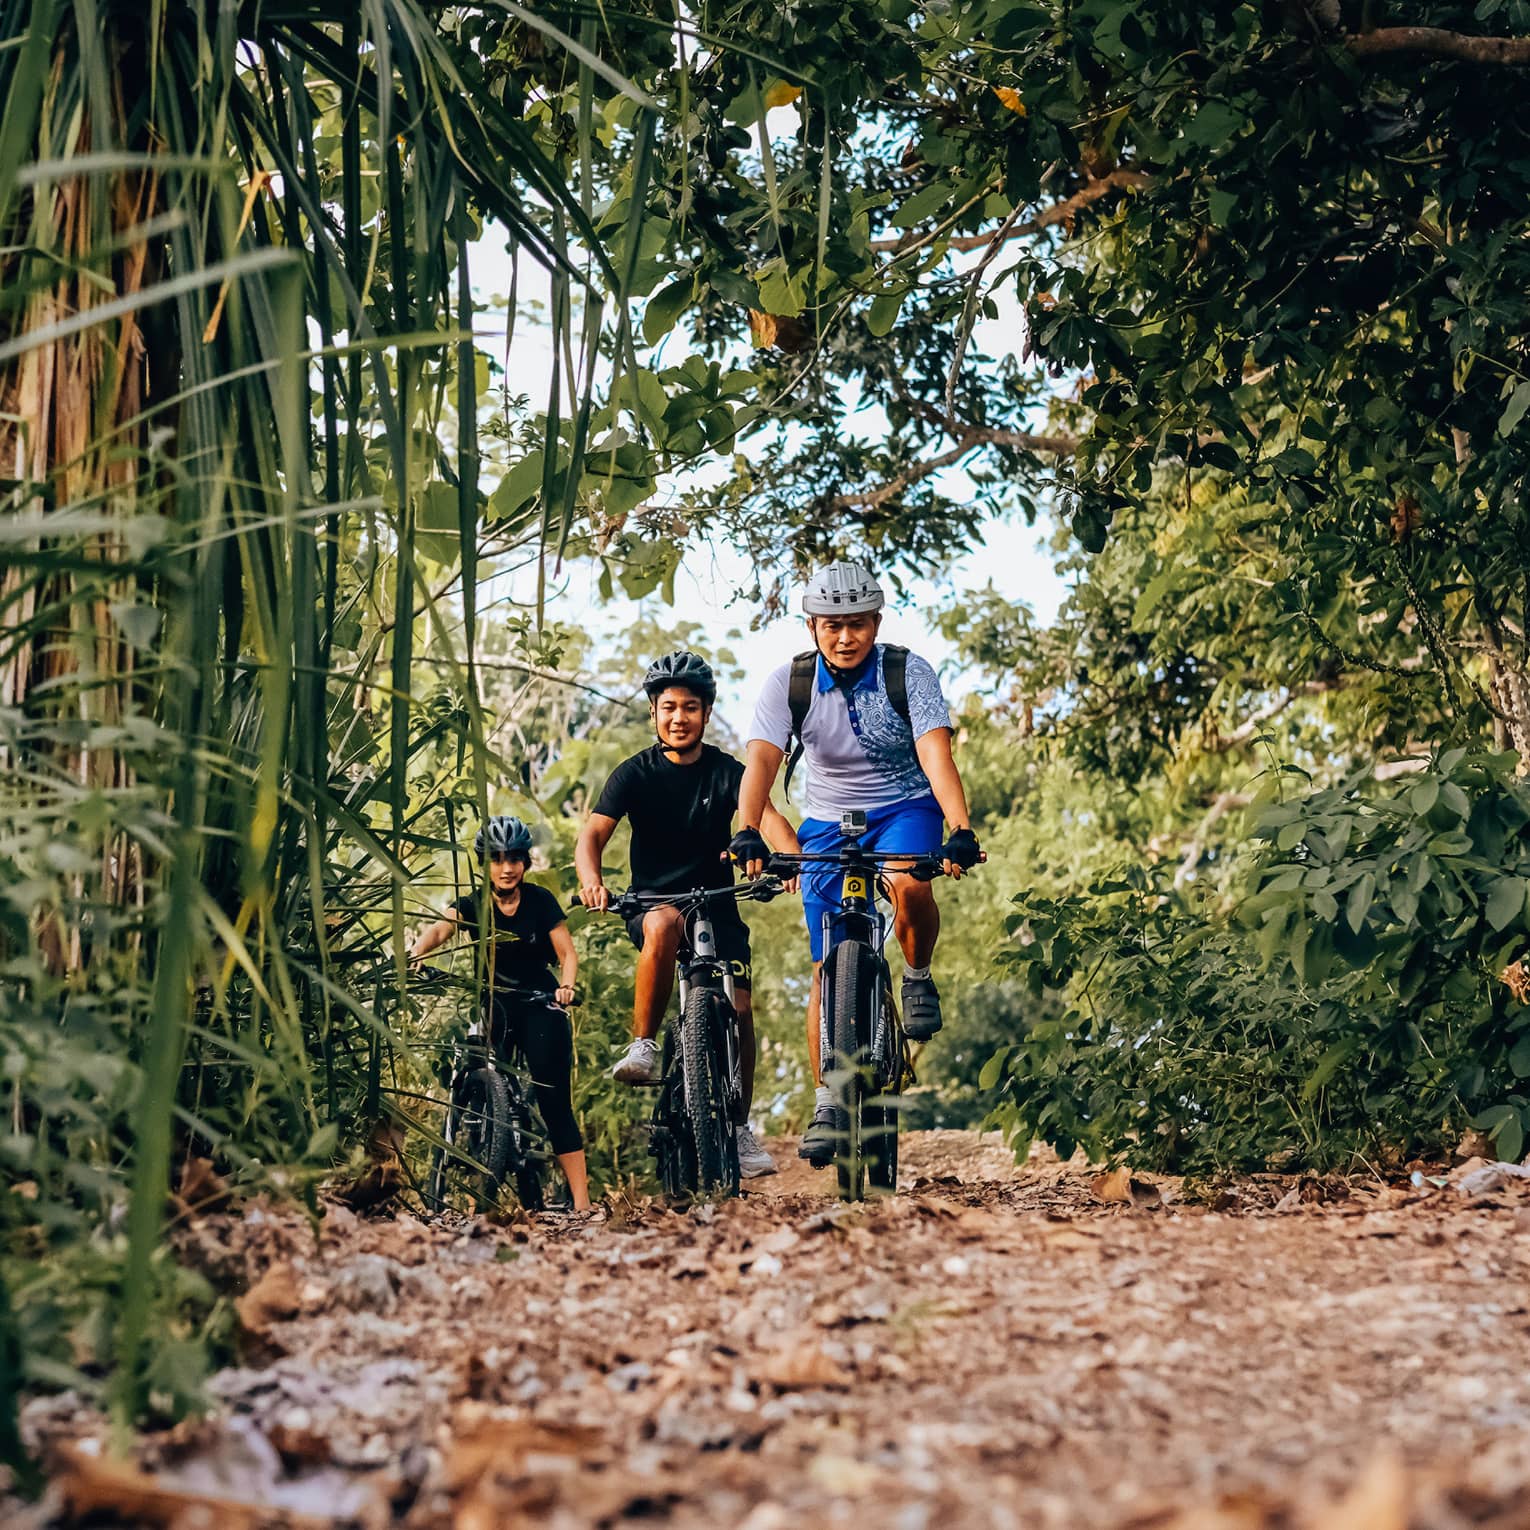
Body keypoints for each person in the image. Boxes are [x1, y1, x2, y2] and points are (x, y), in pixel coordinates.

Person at [732, 560, 981, 1167]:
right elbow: (761, 762)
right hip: (825, 820)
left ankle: (917, 974)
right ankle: (826, 1098)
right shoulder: (788, 683)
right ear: (812, 625)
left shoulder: (906, 672)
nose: (845, 638)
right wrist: (747, 831)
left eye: (858, 625)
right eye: (833, 625)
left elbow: (935, 752)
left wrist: (960, 827)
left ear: (876, 623)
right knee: (824, 969)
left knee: (905, 883)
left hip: (904, 807)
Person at [575, 650, 800, 1180]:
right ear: (654, 713)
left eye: (691, 707)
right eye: (669, 707)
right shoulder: (634, 774)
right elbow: (592, 835)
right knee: (663, 923)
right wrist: (592, 880)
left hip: (719, 907)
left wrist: (786, 862)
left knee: (741, 1010)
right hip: (652, 903)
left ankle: (741, 1127)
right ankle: (644, 1044)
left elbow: (771, 821)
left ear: (706, 712)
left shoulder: (728, 773)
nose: (680, 717)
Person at [409, 815, 591, 1211]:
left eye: (514, 858)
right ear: (485, 862)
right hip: (493, 1003)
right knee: (472, 1066)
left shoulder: (540, 901)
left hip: (539, 1001)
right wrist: (416, 954)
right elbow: (441, 929)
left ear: (525, 862)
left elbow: (566, 953)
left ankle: (582, 1204)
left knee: (553, 1099)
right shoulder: (473, 903)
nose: (506, 868)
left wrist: (567, 986)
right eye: (497, 858)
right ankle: (465, 1156)